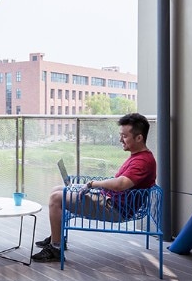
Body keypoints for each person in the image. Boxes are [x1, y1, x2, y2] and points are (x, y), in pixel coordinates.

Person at [31, 112, 156, 263]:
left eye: (124, 136)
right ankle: (56, 236)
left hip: (115, 210)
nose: (120, 139)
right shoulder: (138, 157)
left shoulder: (142, 161)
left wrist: (92, 185)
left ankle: (56, 248)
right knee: (57, 189)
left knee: (56, 198)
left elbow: (120, 184)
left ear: (139, 138)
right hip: (109, 201)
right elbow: (119, 183)